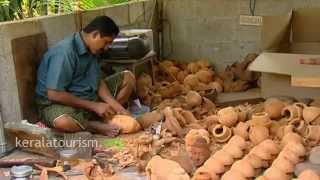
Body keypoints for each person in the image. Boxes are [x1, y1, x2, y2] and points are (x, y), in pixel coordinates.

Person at [35, 16, 135, 137]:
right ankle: (93, 126)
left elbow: (98, 82)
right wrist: (94, 106)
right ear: (95, 35)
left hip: (87, 98)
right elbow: (54, 94)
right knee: (63, 122)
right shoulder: (64, 53)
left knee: (128, 77)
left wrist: (118, 108)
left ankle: (108, 116)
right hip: (57, 104)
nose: (107, 47)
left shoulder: (93, 49)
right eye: (107, 42)